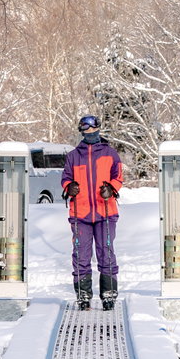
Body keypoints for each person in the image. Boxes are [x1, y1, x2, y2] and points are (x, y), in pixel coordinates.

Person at [62, 114, 123, 310]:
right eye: (85, 129)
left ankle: (108, 293)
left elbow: (118, 176)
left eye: (92, 128)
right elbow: (65, 178)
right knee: (81, 255)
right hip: (81, 213)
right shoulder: (73, 156)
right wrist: (69, 187)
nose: (89, 132)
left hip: (105, 211)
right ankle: (83, 295)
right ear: (81, 131)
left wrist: (111, 189)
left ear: (98, 128)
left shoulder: (110, 153)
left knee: (106, 253)